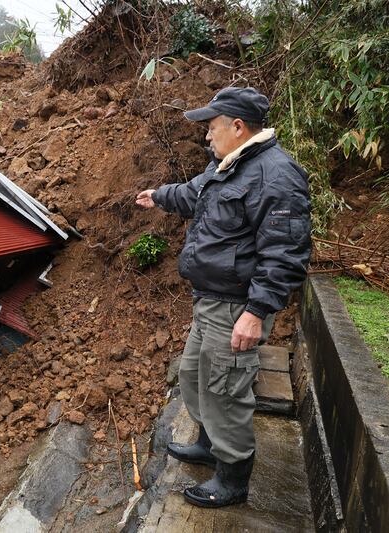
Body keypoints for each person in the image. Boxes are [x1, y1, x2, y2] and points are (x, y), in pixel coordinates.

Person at [135, 87, 311, 508]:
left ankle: (232, 479)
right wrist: (158, 195)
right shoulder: (230, 166)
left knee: (225, 391)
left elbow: (285, 252)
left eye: (212, 128)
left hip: (236, 307)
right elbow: (193, 194)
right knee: (195, 378)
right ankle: (209, 444)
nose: (207, 137)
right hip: (210, 302)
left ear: (237, 126)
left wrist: (257, 312)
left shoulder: (276, 174)